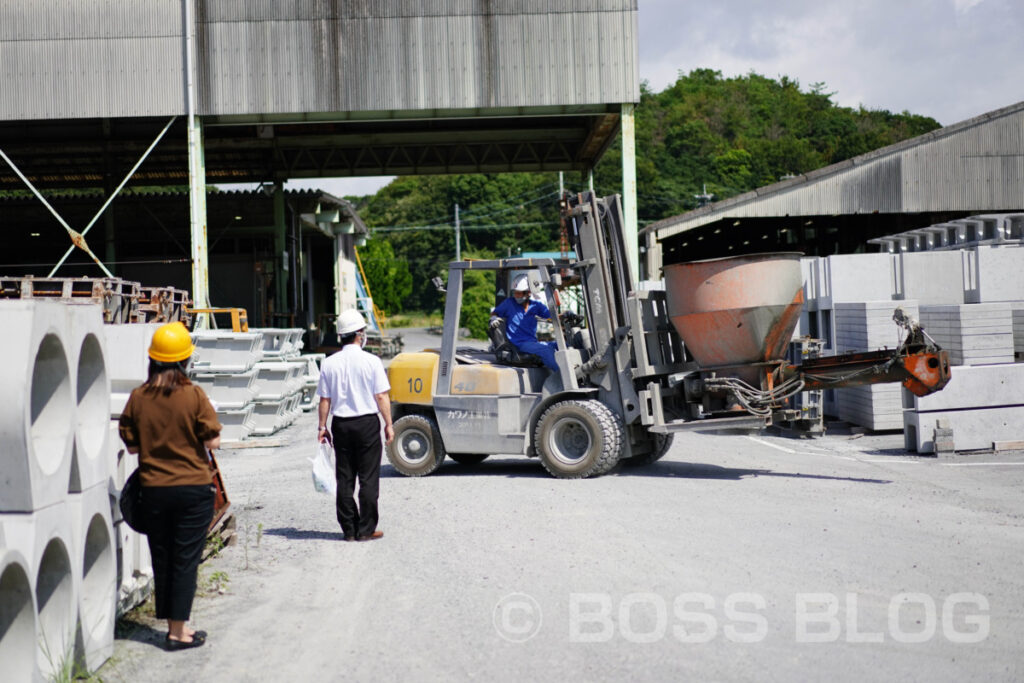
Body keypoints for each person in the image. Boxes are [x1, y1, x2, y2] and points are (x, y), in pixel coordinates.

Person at [118, 322, 221, 651]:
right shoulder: (193, 395)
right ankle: (178, 632)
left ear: (153, 360)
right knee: (185, 558)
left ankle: (174, 624)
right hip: (193, 489)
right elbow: (213, 440)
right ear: (184, 361)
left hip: (154, 491)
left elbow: (132, 446)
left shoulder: (138, 398)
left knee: (162, 556)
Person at [317, 309, 394, 541]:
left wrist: (322, 427)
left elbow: (325, 400)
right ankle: (366, 529)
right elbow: (381, 396)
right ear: (359, 334)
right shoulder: (372, 361)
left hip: (341, 425)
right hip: (367, 424)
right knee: (368, 478)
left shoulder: (329, 364)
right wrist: (388, 424)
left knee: (345, 478)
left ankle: (349, 530)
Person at [491, 275, 559, 372]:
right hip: (519, 344)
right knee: (546, 350)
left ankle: (576, 371)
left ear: (528, 293)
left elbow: (551, 316)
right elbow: (494, 313)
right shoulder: (509, 303)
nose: (516, 296)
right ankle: (563, 377)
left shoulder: (536, 306)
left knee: (560, 345)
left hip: (532, 342)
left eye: (519, 293)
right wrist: (493, 318)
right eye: (515, 293)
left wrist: (564, 315)